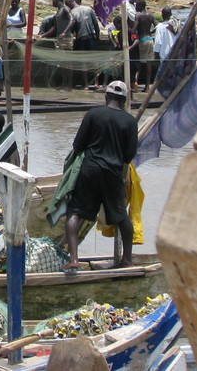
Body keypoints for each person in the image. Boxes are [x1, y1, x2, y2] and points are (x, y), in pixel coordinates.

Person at [63, 80, 138, 271]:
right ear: (124, 100)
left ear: (106, 96)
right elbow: (129, 155)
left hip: (89, 169)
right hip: (113, 173)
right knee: (121, 216)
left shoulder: (93, 114)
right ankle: (127, 259)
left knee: (75, 212)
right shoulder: (130, 121)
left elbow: (78, 145)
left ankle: (74, 260)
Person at [133, 0, 155, 91]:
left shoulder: (138, 16)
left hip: (142, 41)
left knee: (139, 64)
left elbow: (134, 29)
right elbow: (157, 26)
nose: (135, 8)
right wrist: (150, 31)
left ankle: (135, 84)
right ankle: (147, 87)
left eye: (137, 6)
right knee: (148, 64)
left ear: (141, 6)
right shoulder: (150, 15)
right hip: (150, 40)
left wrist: (129, 30)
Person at [153, 7, 180, 73]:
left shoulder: (160, 27)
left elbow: (157, 42)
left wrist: (156, 57)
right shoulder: (177, 26)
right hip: (176, 55)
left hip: (165, 56)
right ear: (171, 14)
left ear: (162, 15)